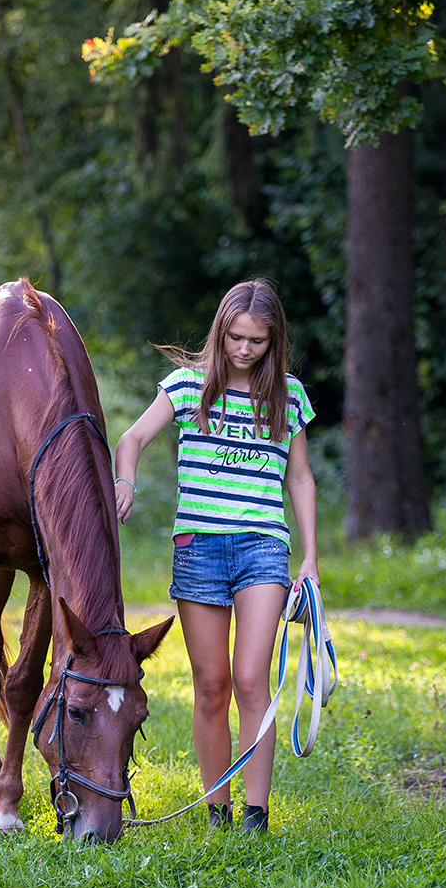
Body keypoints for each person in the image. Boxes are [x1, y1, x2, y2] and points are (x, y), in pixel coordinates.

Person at [114, 278, 319, 834]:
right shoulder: (186, 387)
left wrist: (310, 558)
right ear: (220, 332)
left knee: (251, 679)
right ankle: (217, 812)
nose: (244, 349)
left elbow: (300, 478)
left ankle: (256, 813)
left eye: (256, 340)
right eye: (235, 338)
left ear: (273, 342)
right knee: (211, 687)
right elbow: (129, 439)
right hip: (198, 549)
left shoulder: (288, 397)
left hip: (262, 549)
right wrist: (125, 482)